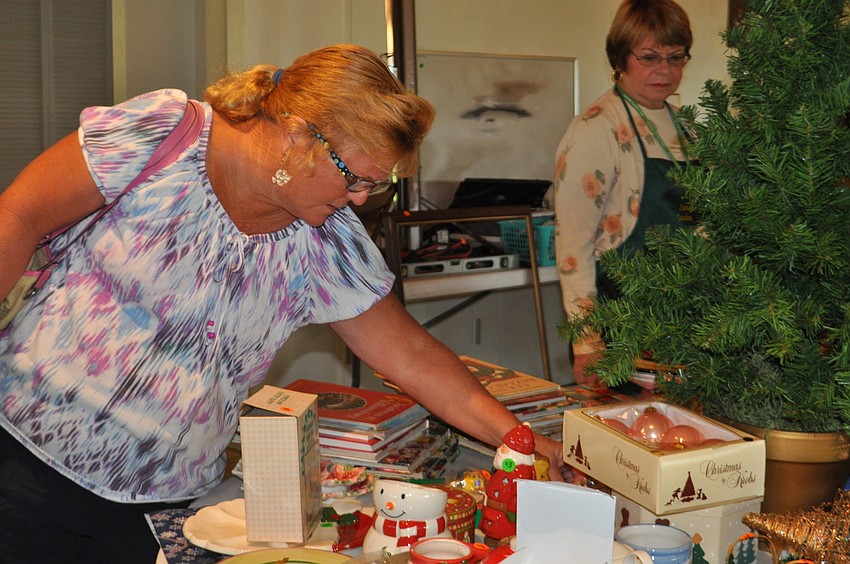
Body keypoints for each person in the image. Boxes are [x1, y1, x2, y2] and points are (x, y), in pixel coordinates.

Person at [0, 44, 567, 563]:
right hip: (21, 462)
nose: (360, 198)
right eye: (353, 177)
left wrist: (521, 440)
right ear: (298, 136)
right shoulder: (162, 135)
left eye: (375, 184)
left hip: (161, 502)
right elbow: (18, 214)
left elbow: (409, 355)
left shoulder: (325, 239)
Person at [553, 0, 695, 384]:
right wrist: (586, 344)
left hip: (688, 322)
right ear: (620, 58)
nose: (664, 69)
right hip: (618, 323)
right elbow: (573, 247)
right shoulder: (594, 130)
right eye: (649, 57)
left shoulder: (691, 130)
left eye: (675, 57)